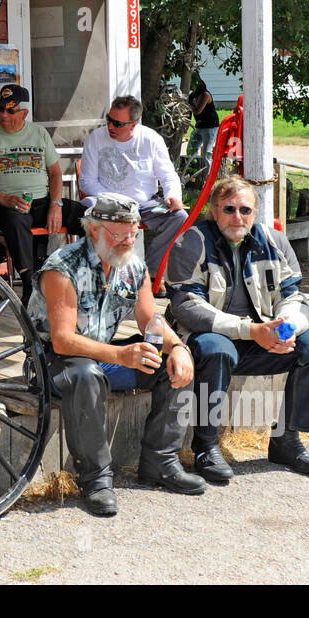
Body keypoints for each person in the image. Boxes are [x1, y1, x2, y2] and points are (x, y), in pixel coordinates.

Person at [28, 193, 202, 517]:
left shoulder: (134, 267)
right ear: (93, 230)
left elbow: (150, 319)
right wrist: (122, 355)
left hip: (103, 357)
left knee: (170, 364)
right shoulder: (62, 267)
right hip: (53, 362)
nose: (127, 240)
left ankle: (160, 463)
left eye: (133, 233)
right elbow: (63, 340)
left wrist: (178, 347)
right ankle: (96, 481)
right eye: (118, 233)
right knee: (85, 375)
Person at [165, 175, 309, 480]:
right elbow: (187, 306)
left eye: (245, 210)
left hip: (260, 336)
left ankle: (287, 439)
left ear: (255, 213)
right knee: (216, 349)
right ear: (214, 212)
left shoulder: (274, 241)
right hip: (207, 337)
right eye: (228, 209)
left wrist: (283, 331)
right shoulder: (191, 241)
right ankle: (205, 446)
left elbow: (294, 295)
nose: (237, 217)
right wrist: (251, 330)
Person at [0, 84, 84, 304]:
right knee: (14, 220)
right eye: (0, 109)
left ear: (24, 113)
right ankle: (30, 284)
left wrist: (56, 204)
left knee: (86, 217)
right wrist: (3, 198)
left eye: (10, 110)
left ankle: (90, 272)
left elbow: (55, 174)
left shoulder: (39, 133)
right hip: (6, 204)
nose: (3, 115)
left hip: (42, 201)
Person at [79, 94, 187, 280]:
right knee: (86, 207)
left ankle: (150, 274)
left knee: (179, 217)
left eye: (118, 124)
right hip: (105, 202)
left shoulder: (150, 139)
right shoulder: (96, 137)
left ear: (134, 124)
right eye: (109, 120)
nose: (111, 126)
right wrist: (117, 204)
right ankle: (99, 273)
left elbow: (168, 175)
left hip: (143, 204)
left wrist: (173, 195)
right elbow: (87, 182)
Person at [186, 78, 219, 174]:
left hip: (210, 126)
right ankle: (193, 174)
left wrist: (186, 104)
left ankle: (207, 178)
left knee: (206, 153)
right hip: (199, 126)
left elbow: (197, 110)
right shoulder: (192, 95)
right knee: (191, 150)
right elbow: (189, 112)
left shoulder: (205, 95)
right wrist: (186, 125)